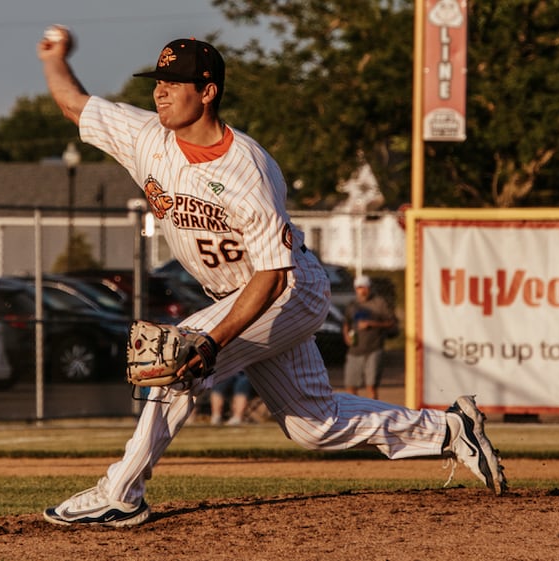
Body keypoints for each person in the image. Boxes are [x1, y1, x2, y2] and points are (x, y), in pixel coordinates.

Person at [37, 29, 506, 528]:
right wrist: (54, 58)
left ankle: (121, 492)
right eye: (158, 81)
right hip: (240, 295)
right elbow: (74, 104)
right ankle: (450, 430)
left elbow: (271, 277)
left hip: (289, 291)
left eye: (174, 82)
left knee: (178, 359)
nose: (160, 91)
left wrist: (210, 343)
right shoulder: (148, 138)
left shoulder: (248, 171)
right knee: (313, 425)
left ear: (208, 90)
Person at [342, 275, 395, 400]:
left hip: (373, 349)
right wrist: (346, 335)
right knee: (350, 387)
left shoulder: (379, 303)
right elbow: (346, 323)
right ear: (356, 289)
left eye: (365, 287)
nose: (362, 290)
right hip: (355, 350)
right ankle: (353, 414)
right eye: (359, 287)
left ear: (369, 288)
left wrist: (371, 324)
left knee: (371, 387)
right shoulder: (352, 305)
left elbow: (391, 322)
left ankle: (373, 414)